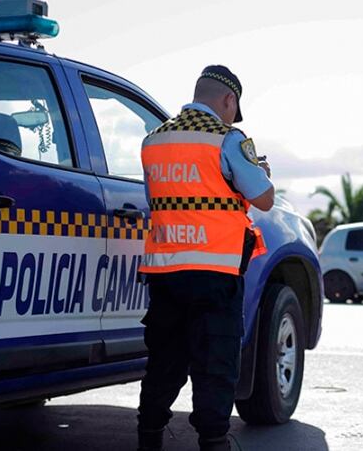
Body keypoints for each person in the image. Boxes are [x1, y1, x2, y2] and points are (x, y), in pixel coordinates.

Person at [136, 65, 274, 451]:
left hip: (165, 272)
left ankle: (148, 439)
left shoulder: (153, 140)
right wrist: (260, 170)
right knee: (215, 365)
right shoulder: (226, 139)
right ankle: (214, 443)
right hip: (214, 272)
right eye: (233, 108)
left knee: (163, 363)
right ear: (228, 100)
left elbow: (156, 199)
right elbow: (263, 197)